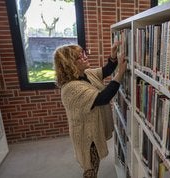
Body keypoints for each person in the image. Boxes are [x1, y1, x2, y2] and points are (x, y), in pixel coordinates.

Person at [53, 42, 127, 178]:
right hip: (86, 134)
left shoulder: (86, 74)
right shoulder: (71, 88)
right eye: (79, 57)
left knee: (95, 161)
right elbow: (103, 98)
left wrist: (113, 55)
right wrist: (120, 73)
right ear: (69, 64)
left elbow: (106, 70)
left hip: (92, 129)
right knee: (91, 167)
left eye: (83, 54)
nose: (85, 57)